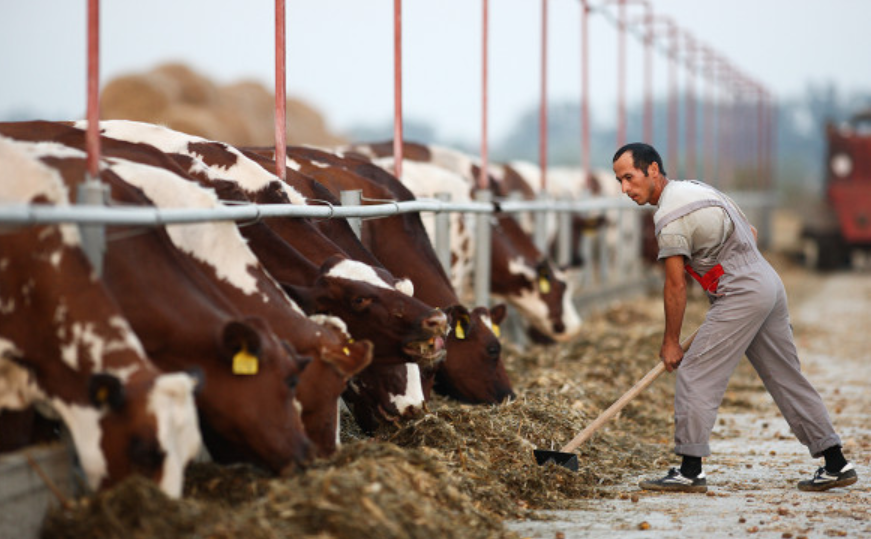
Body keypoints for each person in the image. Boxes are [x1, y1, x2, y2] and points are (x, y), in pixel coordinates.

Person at [612, 142, 858, 493]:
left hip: (743, 291)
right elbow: (751, 233)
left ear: (653, 170)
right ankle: (836, 462)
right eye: (619, 181)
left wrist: (670, 342)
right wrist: (729, 284)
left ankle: (689, 470)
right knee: (786, 376)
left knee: (695, 370)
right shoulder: (698, 189)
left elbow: (675, 285)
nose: (624, 189)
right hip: (768, 282)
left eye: (629, 177)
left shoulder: (668, 215)